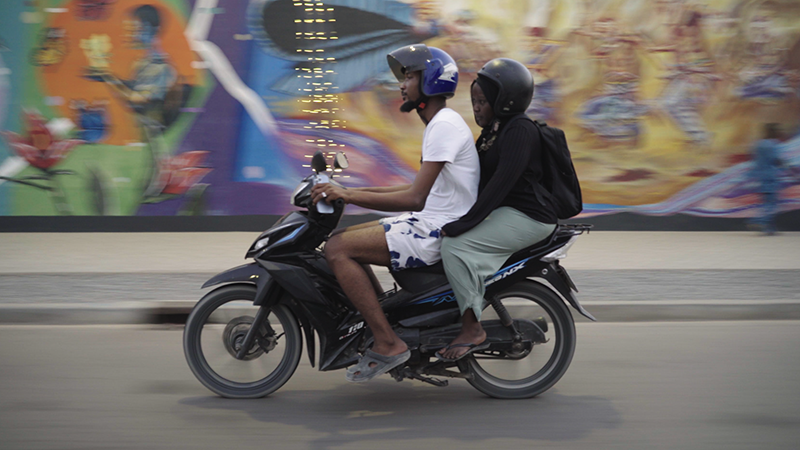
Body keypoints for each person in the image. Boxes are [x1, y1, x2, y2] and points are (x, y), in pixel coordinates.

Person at [310, 44, 480, 381]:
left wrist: (349, 194)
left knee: (337, 249)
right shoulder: (440, 124)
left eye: (410, 77)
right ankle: (383, 323)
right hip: (431, 221)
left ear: (430, 81)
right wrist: (349, 191)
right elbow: (415, 188)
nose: (402, 85)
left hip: (436, 230)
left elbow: (415, 198)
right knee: (344, 238)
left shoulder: (443, 126)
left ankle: (388, 342)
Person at [436, 58, 558, 362]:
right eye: (474, 102)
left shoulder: (520, 130)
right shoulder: (494, 130)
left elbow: (500, 185)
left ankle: (471, 329)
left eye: (482, 102)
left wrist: (464, 223)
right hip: (507, 212)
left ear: (505, 101)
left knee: (455, 247)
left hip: (530, 217)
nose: (476, 108)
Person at [748, 123, 786, 235]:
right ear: (773, 132)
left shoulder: (759, 144)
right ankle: (758, 221)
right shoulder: (773, 144)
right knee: (771, 203)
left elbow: (756, 160)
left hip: (761, 176)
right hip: (771, 176)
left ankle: (770, 229)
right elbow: (776, 159)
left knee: (767, 201)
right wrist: (786, 165)